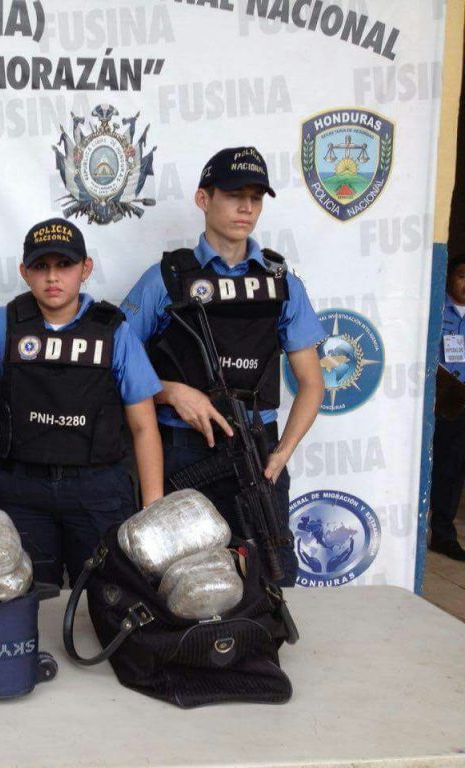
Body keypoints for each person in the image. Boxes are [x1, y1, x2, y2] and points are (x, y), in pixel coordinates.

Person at [122, 147, 325, 585]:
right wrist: (171, 392)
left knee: (269, 573)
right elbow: (116, 364)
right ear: (203, 199)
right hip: (182, 445)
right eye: (234, 195)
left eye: (256, 197)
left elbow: (312, 383)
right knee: (179, 576)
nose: (246, 208)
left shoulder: (282, 283)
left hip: (256, 446)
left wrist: (283, 452)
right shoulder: (166, 279)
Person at [0, 217, 164, 587]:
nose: (52, 277)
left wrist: (152, 508)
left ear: (85, 268)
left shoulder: (114, 331)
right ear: (24, 273)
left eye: (64, 265)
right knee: (27, 599)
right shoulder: (2, 325)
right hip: (23, 490)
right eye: (40, 266)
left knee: (107, 597)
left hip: (99, 491)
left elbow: (144, 426)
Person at [429, 253, 465, 561]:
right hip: (435, 402)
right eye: (462, 276)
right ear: (449, 277)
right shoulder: (434, 309)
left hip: (461, 406)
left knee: (453, 472)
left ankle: (443, 534)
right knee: (432, 466)